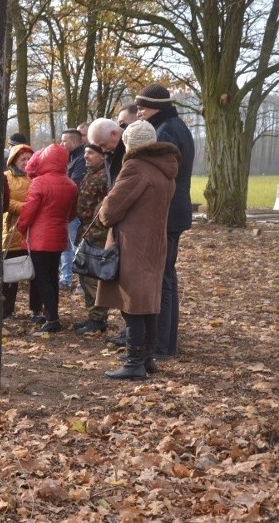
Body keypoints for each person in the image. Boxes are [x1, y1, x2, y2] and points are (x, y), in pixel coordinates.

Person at [98, 120, 180, 379]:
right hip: (156, 241)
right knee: (150, 300)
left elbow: (110, 211)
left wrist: (104, 208)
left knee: (132, 302)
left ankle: (134, 362)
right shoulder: (166, 168)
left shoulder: (135, 167)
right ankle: (147, 358)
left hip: (134, 243)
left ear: (129, 144)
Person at [135, 83, 195, 359]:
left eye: (142, 108)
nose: (139, 114)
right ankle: (164, 343)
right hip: (175, 211)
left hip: (168, 213)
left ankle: (161, 344)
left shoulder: (166, 130)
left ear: (155, 108)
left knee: (163, 278)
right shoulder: (175, 125)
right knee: (166, 276)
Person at [17, 144, 78, 332]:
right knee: (52, 277)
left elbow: (28, 211)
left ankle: (52, 319)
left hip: (40, 237)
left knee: (42, 279)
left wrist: (22, 227)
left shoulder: (40, 182)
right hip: (59, 235)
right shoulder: (71, 184)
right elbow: (71, 214)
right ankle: (52, 314)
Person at [1, 143, 43, 321]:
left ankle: (36, 309)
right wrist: (25, 208)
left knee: (36, 273)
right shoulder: (6, 177)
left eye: (29, 159)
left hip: (35, 231)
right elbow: (4, 200)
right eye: (22, 159)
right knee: (10, 272)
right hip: (12, 229)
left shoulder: (38, 177)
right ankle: (6, 308)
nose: (26, 162)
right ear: (14, 160)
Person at [72, 143, 110, 335]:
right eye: (85, 153)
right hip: (85, 231)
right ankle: (92, 317)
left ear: (102, 156)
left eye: (91, 153)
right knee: (86, 276)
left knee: (94, 277)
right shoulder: (90, 174)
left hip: (98, 234)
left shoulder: (105, 176)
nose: (86, 156)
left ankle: (98, 319)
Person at [59, 128, 86, 292]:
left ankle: (82, 283)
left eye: (64, 141)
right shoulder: (70, 158)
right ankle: (66, 279)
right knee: (66, 247)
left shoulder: (81, 159)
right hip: (68, 211)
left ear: (74, 142)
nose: (62, 144)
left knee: (76, 247)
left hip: (75, 211)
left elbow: (74, 184)